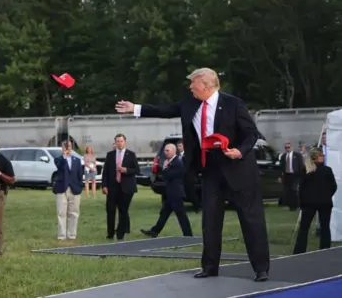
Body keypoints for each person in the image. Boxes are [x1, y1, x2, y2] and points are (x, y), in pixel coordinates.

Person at [115, 67, 270, 282]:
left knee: (250, 219)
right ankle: (209, 267)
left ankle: (261, 269)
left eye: (193, 84)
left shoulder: (233, 104)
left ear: (206, 86)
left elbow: (251, 133)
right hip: (209, 170)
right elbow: (165, 110)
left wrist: (240, 151)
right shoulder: (189, 103)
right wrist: (135, 108)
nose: (190, 87)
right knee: (211, 219)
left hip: (238, 169)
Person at [141, 143, 193, 237]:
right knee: (164, 214)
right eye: (165, 150)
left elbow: (169, 175)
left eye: (167, 150)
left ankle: (188, 235)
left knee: (181, 215)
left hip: (176, 193)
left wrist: (164, 168)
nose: (165, 153)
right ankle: (154, 232)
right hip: (170, 193)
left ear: (173, 151)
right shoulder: (170, 161)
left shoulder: (177, 162)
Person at [293, 147, 337, 254]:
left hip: (309, 203)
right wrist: (327, 195)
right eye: (322, 155)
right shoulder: (327, 170)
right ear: (317, 157)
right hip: (325, 203)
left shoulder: (306, 170)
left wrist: (302, 202)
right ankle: (325, 249)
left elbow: (301, 188)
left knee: (304, 227)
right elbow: (333, 186)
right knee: (325, 227)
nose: (323, 157)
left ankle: (299, 250)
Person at [101, 134, 139, 240]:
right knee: (110, 211)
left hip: (126, 187)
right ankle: (110, 233)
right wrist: (104, 185)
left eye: (121, 141)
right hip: (113, 187)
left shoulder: (130, 154)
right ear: (115, 142)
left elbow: (136, 169)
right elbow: (106, 172)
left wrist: (126, 170)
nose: (119, 143)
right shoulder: (110, 155)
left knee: (123, 211)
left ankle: (120, 233)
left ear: (125, 142)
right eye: (117, 141)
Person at [53, 140, 83, 240]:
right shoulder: (58, 159)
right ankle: (61, 236)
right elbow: (60, 167)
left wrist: (79, 187)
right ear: (62, 148)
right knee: (61, 212)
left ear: (71, 147)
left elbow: (79, 175)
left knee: (74, 212)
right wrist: (64, 156)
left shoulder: (77, 160)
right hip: (61, 188)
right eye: (65, 147)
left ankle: (72, 235)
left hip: (75, 189)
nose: (67, 149)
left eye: (69, 147)